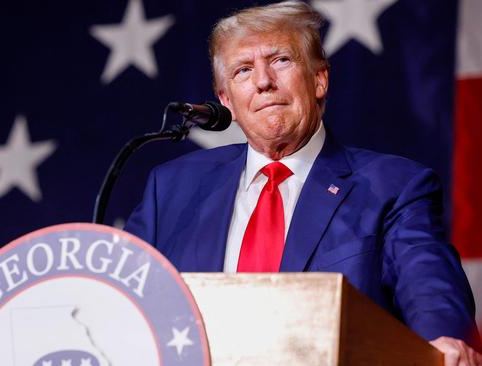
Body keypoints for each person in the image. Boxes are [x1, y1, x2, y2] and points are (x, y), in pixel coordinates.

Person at [124, 1, 482, 364]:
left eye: (280, 60)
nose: (263, 82)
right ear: (226, 100)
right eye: (243, 70)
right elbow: (123, 296)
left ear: (319, 80)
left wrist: (444, 340)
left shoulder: (394, 186)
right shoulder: (172, 189)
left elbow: (428, 285)